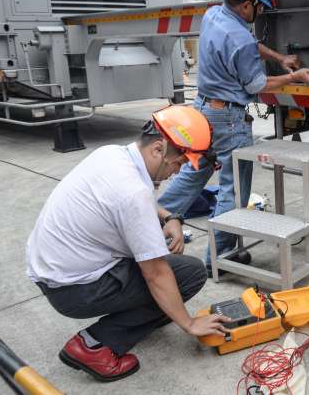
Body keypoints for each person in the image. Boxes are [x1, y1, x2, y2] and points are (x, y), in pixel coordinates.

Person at [26, 105, 230, 382]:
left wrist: (170, 216)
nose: (176, 172)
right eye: (179, 163)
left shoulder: (112, 154)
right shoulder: (132, 193)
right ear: (158, 149)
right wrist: (189, 323)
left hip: (56, 271)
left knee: (169, 279)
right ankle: (93, 345)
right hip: (75, 290)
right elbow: (155, 273)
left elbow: (136, 199)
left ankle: (153, 311)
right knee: (188, 274)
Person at [158, 0, 309, 274]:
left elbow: (245, 42)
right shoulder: (241, 39)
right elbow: (257, 85)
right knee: (234, 190)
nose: (260, 10)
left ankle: (152, 223)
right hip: (231, 118)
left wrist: (278, 57)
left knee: (194, 173)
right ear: (247, 4)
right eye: (260, 5)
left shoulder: (214, 15)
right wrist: (295, 75)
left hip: (204, 110)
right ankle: (220, 259)